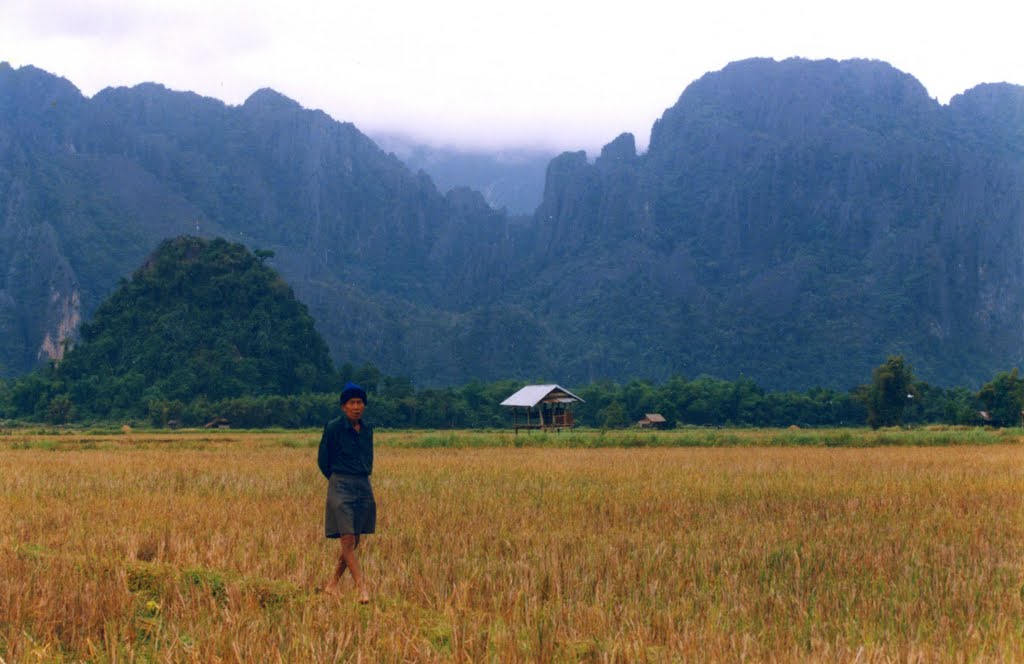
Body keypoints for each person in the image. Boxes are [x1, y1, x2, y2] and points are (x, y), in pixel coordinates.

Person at [318, 382, 376, 603]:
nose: (356, 406)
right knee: (348, 538)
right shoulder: (333, 428)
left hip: (362, 484)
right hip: (340, 483)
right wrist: (336, 479)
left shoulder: (367, 429)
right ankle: (362, 587)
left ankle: (332, 584)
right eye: (351, 403)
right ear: (344, 406)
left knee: (355, 540)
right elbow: (323, 460)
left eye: (360, 402)